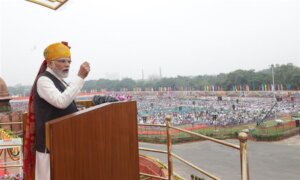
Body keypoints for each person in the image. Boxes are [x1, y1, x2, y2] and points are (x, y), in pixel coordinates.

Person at [23, 41, 90, 180]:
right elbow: (61, 102)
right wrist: (80, 78)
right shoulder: (44, 81)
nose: (67, 65)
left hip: (64, 140)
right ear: (50, 63)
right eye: (62, 61)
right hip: (50, 142)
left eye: (69, 62)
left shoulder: (60, 80)